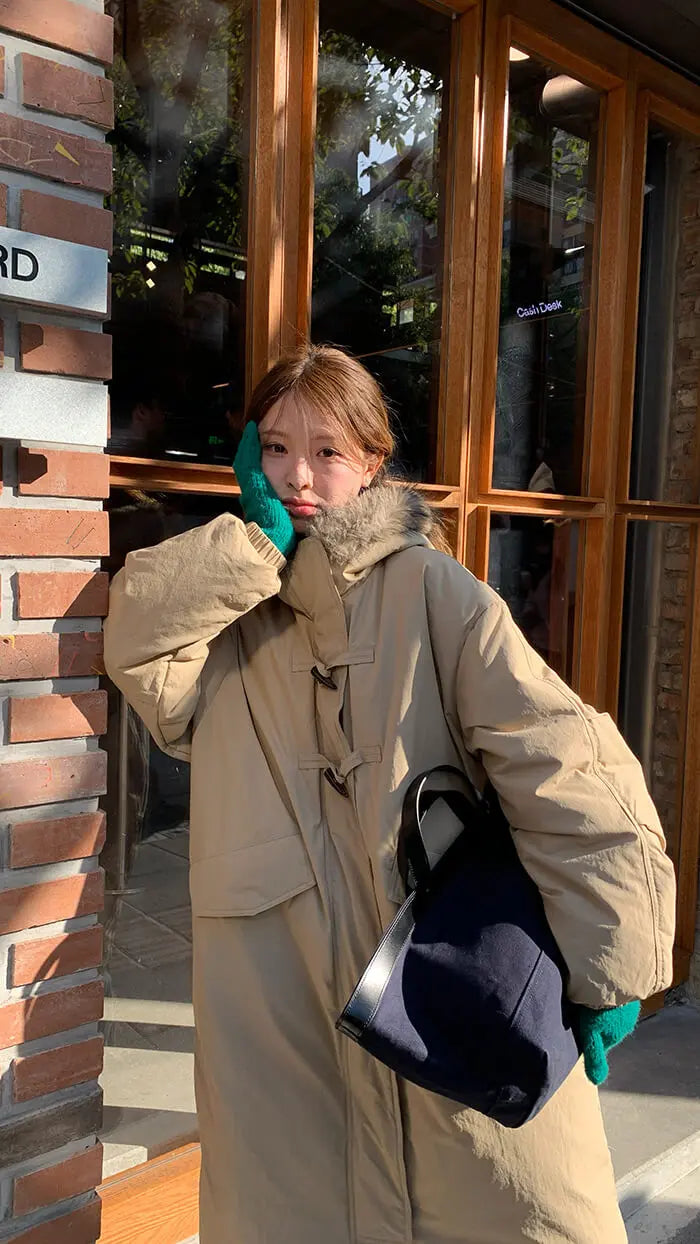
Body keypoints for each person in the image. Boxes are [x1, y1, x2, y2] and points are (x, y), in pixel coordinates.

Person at [104, 344, 676, 1244]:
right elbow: (136, 643)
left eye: (327, 451)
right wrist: (253, 547)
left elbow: (565, 766)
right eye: (276, 448)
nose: (298, 476)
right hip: (287, 1029)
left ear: (372, 463)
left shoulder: (433, 591)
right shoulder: (228, 613)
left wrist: (614, 962)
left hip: (454, 1007)